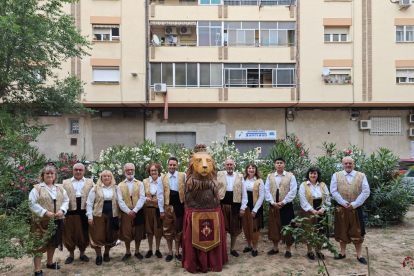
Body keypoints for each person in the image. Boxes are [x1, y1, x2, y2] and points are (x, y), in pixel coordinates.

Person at [181, 151, 228, 273]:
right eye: (198, 161)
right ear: (192, 166)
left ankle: (213, 261)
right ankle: (195, 261)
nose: (204, 165)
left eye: (208, 162)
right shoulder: (190, 183)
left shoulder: (214, 182)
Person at [29, 165, 69, 276]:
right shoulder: (37, 188)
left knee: (53, 242)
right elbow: (31, 204)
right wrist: (45, 212)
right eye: (47, 173)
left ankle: (50, 262)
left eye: (52, 173)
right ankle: (37, 269)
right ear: (43, 175)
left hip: (57, 220)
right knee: (39, 244)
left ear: (55, 175)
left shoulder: (60, 188)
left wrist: (62, 210)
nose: (50, 175)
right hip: (41, 221)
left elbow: (66, 200)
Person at [330, 156, 370, 264]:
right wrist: (344, 203)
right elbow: (333, 191)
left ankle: (359, 255)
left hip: (356, 209)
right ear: (342, 164)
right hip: (341, 208)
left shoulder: (361, 176)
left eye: (350, 163)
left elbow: (366, 191)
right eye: (346, 163)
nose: (348, 165)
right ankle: (342, 253)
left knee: (358, 231)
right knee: (341, 230)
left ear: (353, 164)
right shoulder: (336, 175)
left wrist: (354, 204)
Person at [264, 157, 297, 258]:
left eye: (281, 163)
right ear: (275, 165)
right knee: (274, 226)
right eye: (277, 163)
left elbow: (293, 191)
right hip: (273, 205)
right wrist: (272, 202)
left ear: (284, 165)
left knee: (287, 226)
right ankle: (275, 248)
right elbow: (266, 190)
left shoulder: (291, 176)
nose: (279, 164)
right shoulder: (270, 176)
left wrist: (283, 202)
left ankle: (288, 249)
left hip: (286, 206)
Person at [62, 163, 94, 264]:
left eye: (80, 170)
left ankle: (82, 254)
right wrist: (62, 214)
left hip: (84, 211)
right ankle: (71, 255)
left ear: (84, 171)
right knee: (69, 233)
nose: (78, 172)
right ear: (73, 171)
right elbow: (61, 199)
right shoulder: (65, 183)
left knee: (83, 233)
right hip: (70, 212)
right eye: (76, 170)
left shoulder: (90, 182)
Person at [86, 170, 119, 265]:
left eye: (108, 176)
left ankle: (106, 254)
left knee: (110, 235)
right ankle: (98, 256)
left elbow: (119, 202)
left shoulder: (116, 188)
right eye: (104, 176)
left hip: (112, 214)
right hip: (98, 215)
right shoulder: (95, 188)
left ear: (111, 177)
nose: (106, 178)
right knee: (97, 235)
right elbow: (89, 203)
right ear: (101, 178)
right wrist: (90, 217)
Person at [157, 157, 187, 262]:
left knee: (179, 229)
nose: (172, 167)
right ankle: (170, 252)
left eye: (174, 165)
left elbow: (187, 191)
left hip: (180, 206)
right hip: (167, 206)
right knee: (168, 230)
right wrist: (161, 210)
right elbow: (160, 194)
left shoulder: (183, 176)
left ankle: (178, 252)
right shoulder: (162, 177)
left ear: (177, 166)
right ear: (168, 165)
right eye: (170, 165)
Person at [298, 167, 331, 260]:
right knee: (309, 230)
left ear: (318, 175)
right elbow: (302, 199)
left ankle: (319, 251)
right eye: (311, 173)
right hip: (308, 210)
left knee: (320, 231)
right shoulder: (303, 185)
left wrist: (323, 209)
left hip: (321, 209)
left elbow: (327, 198)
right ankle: (309, 251)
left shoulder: (322, 185)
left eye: (315, 173)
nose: (313, 175)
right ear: (308, 175)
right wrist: (311, 210)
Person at [217, 158, 246, 257]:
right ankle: (223, 249)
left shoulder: (240, 176)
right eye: (227, 165)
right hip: (222, 205)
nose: (229, 166)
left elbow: (244, 193)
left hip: (235, 205)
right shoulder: (218, 175)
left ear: (234, 166)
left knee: (234, 229)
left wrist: (243, 208)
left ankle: (232, 249)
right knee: (222, 228)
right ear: (225, 166)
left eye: (231, 164)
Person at [118, 163, 146, 261]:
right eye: (127, 170)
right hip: (126, 213)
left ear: (134, 171)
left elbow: (142, 198)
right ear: (124, 172)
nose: (130, 172)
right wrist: (128, 211)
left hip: (137, 211)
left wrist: (134, 210)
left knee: (138, 232)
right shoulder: (120, 185)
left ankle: (137, 251)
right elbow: (120, 200)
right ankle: (128, 252)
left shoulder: (140, 183)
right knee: (127, 232)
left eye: (131, 170)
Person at [241, 163, 264, 257]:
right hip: (244, 206)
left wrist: (255, 210)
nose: (251, 170)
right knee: (246, 226)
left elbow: (262, 196)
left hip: (255, 206)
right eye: (249, 168)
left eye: (253, 168)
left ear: (255, 170)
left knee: (254, 227)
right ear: (247, 170)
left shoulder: (259, 181)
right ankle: (249, 245)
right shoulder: (243, 180)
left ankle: (255, 247)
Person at [143, 163, 163, 259]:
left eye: (155, 170)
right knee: (149, 230)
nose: (154, 172)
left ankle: (158, 249)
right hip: (148, 209)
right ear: (149, 172)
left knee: (158, 230)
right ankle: (150, 249)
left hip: (158, 209)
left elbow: (165, 193)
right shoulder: (145, 181)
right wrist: (146, 199)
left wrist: (159, 200)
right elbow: (140, 195)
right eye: (152, 170)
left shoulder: (162, 181)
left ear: (158, 171)